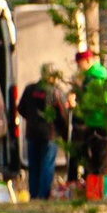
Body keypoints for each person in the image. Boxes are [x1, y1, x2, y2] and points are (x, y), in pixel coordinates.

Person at [16, 67, 69, 203]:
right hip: (50, 134)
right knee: (47, 164)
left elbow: (20, 108)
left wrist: (32, 119)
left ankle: (33, 195)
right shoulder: (56, 92)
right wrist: (64, 133)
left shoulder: (29, 89)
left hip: (32, 133)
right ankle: (43, 195)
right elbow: (63, 114)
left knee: (33, 165)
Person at [72, 47, 107, 200]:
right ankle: (94, 192)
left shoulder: (96, 77)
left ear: (87, 61)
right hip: (95, 122)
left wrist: (82, 109)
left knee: (100, 159)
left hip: (101, 123)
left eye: (79, 64)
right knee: (94, 159)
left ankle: (101, 193)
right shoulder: (92, 76)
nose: (78, 67)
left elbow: (102, 101)